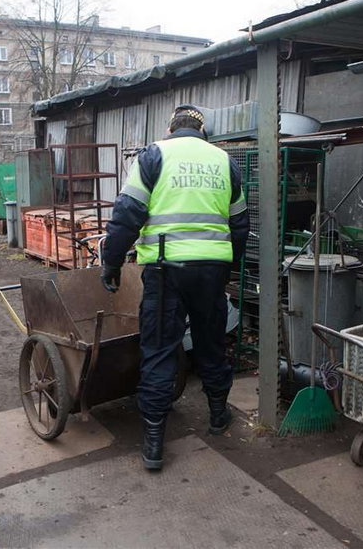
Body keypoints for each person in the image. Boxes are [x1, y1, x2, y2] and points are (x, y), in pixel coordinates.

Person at [100, 105, 249, 470]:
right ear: (203, 132)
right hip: (211, 270)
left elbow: (127, 214)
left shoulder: (155, 155)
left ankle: (153, 443)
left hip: (166, 271)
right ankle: (217, 416)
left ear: (170, 129)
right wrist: (229, 267)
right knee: (211, 342)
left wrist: (113, 262)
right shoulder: (223, 161)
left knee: (160, 349)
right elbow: (240, 224)